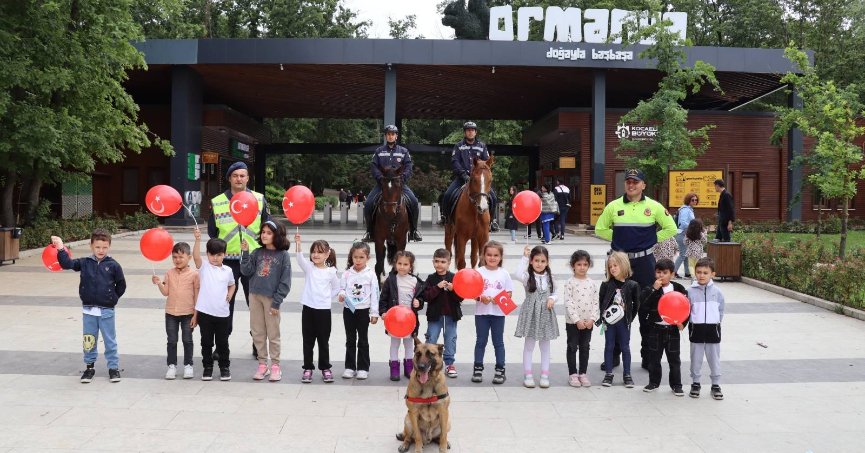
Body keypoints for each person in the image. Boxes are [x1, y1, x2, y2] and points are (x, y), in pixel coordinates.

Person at [595, 168, 677, 370]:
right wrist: (619, 242)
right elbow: (600, 228)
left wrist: (650, 240)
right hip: (620, 263)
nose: (631, 185)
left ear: (643, 185)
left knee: (647, 309)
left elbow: (671, 228)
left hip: (644, 262)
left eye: (635, 182)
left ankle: (648, 357)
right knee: (615, 308)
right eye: (628, 181)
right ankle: (613, 356)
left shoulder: (654, 206)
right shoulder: (613, 206)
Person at [207, 161, 270, 358]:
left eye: (243, 175)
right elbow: (212, 231)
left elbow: (267, 228)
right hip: (227, 263)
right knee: (224, 303)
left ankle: (257, 343)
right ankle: (222, 345)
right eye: (235, 176)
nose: (239, 179)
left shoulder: (260, 200)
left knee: (257, 305)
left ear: (248, 178)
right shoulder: (218, 202)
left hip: (254, 260)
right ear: (229, 179)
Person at [53, 229, 126, 384]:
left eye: (105, 247)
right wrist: (60, 248)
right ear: (91, 246)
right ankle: (89, 367)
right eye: (98, 247)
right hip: (89, 311)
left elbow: (121, 285)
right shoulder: (84, 263)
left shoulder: (113, 265)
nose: (101, 250)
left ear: (109, 247)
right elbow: (67, 264)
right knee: (89, 340)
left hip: (107, 311)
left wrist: (112, 298)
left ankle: (113, 368)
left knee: (109, 340)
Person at [240, 220, 292, 382]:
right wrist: (246, 253)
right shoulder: (256, 253)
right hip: (255, 295)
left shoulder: (283, 256)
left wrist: (277, 301)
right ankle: (262, 364)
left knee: (273, 332)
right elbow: (246, 271)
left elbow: (285, 281)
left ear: (277, 235)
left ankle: (275, 365)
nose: (264, 235)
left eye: (269, 233)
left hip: (271, 299)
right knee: (257, 331)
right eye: (263, 232)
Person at [361, 125, 423, 243]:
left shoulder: (403, 151)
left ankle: (413, 231)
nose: (390, 136)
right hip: (382, 185)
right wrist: (380, 178)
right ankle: (370, 232)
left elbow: (409, 167)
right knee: (368, 203)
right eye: (388, 134)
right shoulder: (379, 151)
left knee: (414, 202)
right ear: (385, 136)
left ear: (396, 136)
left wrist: (402, 179)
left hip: (399, 185)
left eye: (392, 134)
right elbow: (374, 167)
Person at [639, 259, 688, 396]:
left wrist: (683, 323)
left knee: (674, 359)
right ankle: (653, 382)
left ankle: (676, 385)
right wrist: (653, 289)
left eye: (665, 273)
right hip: (655, 329)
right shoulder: (651, 288)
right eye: (658, 272)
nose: (661, 275)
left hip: (672, 330)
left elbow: (686, 307)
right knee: (654, 358)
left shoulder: (678, 288)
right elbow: (643, 303)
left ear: (672, 274)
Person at [151, 241, 200, 380]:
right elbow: (165, 292)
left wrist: (195, 315)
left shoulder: (194, 275)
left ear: (189, 257)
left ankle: (188, 365)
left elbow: (197, 296)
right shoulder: (169, 273)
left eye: (180, 257)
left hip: (188, 313)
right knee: (172, 340)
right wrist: (159, 283)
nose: (177, 260)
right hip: (171, 313)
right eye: (174, 257)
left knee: (187, 340)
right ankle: (171, 366)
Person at [295, 234, 339, 383]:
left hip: (324, 311)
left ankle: (325, 367)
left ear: (327, 254)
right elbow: (299, 258)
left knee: (323, 341)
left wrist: (326, 298)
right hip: (308, 309)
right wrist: (298, 243)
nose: (315, 255)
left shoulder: (331, 271)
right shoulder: (309, 268)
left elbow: (336, 288)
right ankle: (308, 368)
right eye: (313, 251)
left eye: (320, 252)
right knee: (308, 340)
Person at [191, 234, 236, 381]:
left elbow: (232, 284)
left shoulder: (228, 271)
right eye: (212, 255)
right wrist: (197, 240)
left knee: (223, 343)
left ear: (224, 254)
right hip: (205, 313)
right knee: (206, 342)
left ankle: (224, 367)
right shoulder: (204, 267)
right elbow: (195, 256)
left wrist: (229, 295)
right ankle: (207, 367)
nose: (215, 258)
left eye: (219, 255)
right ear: (207, 254)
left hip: (222, 313)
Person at [513, 245, 560, 389]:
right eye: (536, 260)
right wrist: (524, 257)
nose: (540, 264)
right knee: (529, 346)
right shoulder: (527, 277)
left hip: (546, 313)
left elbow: (555, 292)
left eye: (543, 261)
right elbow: (516, 274)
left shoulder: (550, 277)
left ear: (547, 262)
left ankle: (544, 375)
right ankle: (528, 375)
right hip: (531, 314)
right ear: (532, 261)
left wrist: (553, 299)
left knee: (545, 346)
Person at [442, 121, 499, 230]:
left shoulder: (482, 146)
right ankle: (446, 218)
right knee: (447, 195)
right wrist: (463, 174)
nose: (470, 132)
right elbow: (455, 161)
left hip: (478, 180)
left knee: (493, 197)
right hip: (462, 178)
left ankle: (492, 221)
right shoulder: (458, 146)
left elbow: (487, 162)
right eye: (468, 130)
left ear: (475, 132)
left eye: (472, 130)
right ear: (465, 133)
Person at [472, 240, 514, 385]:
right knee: (481, 341)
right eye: (489, 254)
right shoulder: (478, 272)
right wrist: (480, 298)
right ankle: (478, 368)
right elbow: (472, 293)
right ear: (483, 255)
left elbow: (509, 292)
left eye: (496, 255)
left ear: (501, 257)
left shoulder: (504, 273)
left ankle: (500, 369)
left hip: (498, 315)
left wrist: (500, 299)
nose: (492, 258)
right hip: (481, 313)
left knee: (498, 342)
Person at [337, 242, 380, 380]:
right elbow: (342, 288)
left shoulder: (371, 275)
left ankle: (363, 367)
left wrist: (374, 313)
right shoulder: (347, 274)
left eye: (361, 257)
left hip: (363, 311)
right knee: (350, 339)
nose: (358, 260)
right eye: (355, 257)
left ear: (368, 257)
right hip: (349, 310)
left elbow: (375, 294)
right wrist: (342, 294)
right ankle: (349, 367)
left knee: (363, 339)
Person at [379, 251, 424, 381]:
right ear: (395, 264)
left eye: (405, 264)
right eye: (399, 263)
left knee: (409, 344)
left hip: (409, 321)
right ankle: (394, 367)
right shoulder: (391, 280)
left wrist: (418, 303)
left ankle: (409, 367)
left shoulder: (415, 281)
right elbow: (383, 298)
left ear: (411, 266)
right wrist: (383, 312)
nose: (402, 267)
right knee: (394, 344)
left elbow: (420, 299)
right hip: (394, 321)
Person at [598, 251, 641, 388]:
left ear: (624, 265)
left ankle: (627, 374)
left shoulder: (632, 285)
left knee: (625, 347)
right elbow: (601, 302)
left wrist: (630, 319)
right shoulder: (606, 285)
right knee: (609, 346)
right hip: (610, 323)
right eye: (610, 266)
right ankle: (608, 374)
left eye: (615, 265)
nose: (613, 268)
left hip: (623, 323)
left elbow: (636, 305)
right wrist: (603, 318)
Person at [419, 248, 463, 378]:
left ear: (449, 263)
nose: (439, 264)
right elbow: (426, 296)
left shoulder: (454, 277)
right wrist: (437, 288)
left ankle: (449, 364)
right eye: (437, 261)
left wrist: (453, 289)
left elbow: (460, 298)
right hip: (435, 316)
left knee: (450, 339)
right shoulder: (431, 278)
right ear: (433, 262)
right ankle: (428, 363)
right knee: (431, 338)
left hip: (451, 315)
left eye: (443, 262)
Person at [687, 257, 725, 400]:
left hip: (712, 331)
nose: (701, 275)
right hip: (696, 330)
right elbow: (686, 310)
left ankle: (715, 384)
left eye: (705, 272)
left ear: (712, 274)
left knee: (714, 358)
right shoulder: (689, 291)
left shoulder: (718, 292)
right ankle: (695, 383)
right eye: (699, 272)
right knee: (695, 358)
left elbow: (721, 310)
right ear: (695, 273)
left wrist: (716, 323)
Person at [563, 250, 599, 388]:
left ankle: (583, 373)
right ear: (573, 265)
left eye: (585, 264)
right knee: (572, 347)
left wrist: (592, 319)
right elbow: (568, 302)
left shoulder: (592, 283)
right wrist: (577, 320)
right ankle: (573, 374)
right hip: (573, 322)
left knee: (585, 347)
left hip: (588, 322)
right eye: (579, 264)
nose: (582, 267)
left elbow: (596, 302)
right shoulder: (570, 283)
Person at [674, 193, 698, 278]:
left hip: (686, 234)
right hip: (682, 234)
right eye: (692, 200)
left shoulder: (689, 209)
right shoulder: (685, 209)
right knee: (683, 254)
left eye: (696, 200)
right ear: (688, 200)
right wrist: (693, 227)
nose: (694, 201)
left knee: (686, 254)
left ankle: (687, 273)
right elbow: (683, 223)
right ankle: (673, 272)